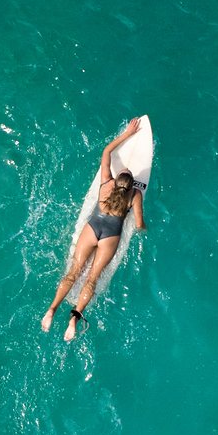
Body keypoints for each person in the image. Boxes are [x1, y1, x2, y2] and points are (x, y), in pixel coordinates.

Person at [41, 118, 147, 341]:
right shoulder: (135, 196)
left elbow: (107, 152)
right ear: (132, 187)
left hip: (92, 228)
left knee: (74, 271)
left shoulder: (106, 183)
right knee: (91, 279)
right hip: (110, 237)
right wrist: (142, 230)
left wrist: (127, 134)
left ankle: (51, 310)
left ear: (117, 180)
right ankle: (74, 318)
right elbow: (138, 224)